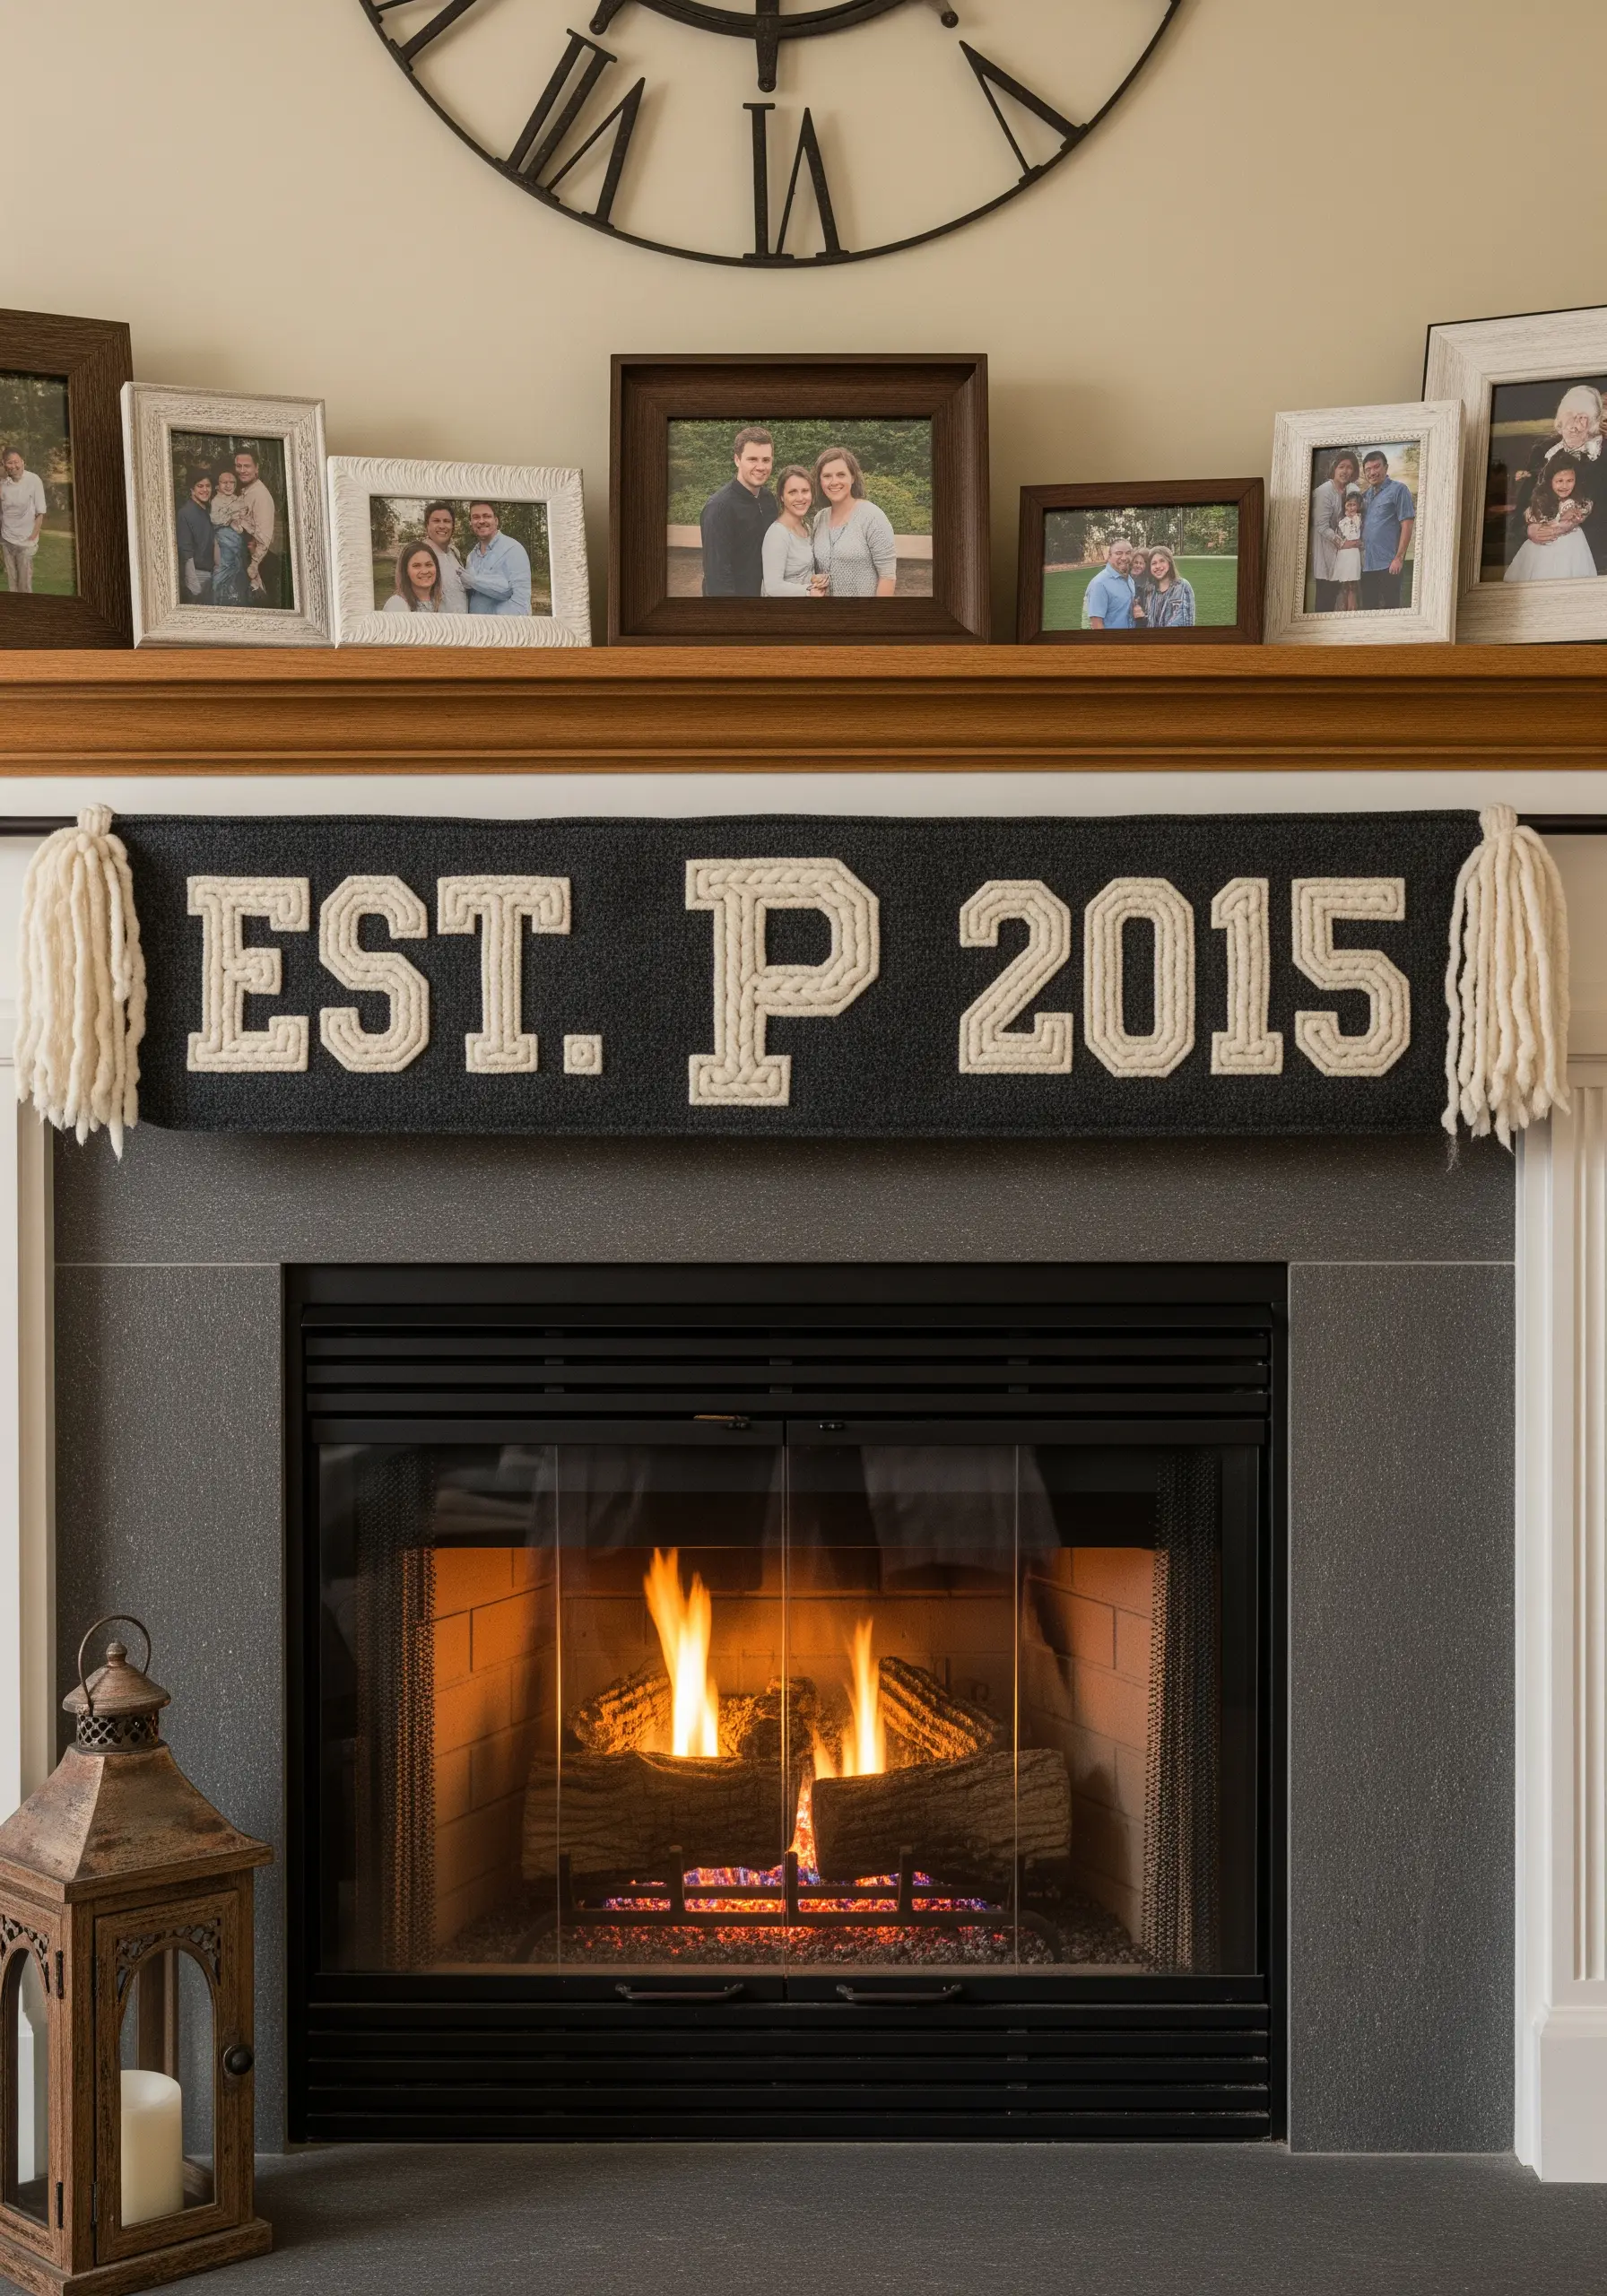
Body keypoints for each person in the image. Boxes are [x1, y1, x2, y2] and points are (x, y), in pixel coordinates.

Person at [1514, 387, 1607, 573]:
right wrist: (1529, 530)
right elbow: (1520, 511)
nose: (1574, 425)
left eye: (1582, 417)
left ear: (1594, 422)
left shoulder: (1602, 454)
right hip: (1543, 558)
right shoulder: (1544, 449)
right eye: (1569, 415)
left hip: (1594, 559)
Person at [699, 426, 777, 596]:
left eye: (766, 460)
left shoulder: (769, 499)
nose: (760, 466)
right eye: (752, 459)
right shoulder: (719, 508)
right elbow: (717, 577)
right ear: (737, 460)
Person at [812, 446, 897, 596]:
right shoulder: (820, 519)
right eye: (827, 476)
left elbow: (887, 577)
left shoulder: (872, 516)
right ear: (820, 481)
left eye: (841, 475)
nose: (834, 481)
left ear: (852, 477)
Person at [1504, 460, 1595, 582]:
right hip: (1544, 545)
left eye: (1570, 481)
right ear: (1549, 481)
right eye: (1559, 481)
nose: (1564, 486)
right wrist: (1557, 520)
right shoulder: (1541, 501)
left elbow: (1576, 518)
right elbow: (1538, 522)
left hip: (1571, 544)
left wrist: (1570, 518)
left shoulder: (1578, 502)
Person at [1359, 449, 1414, 610]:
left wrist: (1399, 558)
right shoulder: (1364, 497)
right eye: (1368, 470)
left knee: (1392, 610)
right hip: (1367, 565)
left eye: (1376, 467)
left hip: (1389, 565)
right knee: (1369, 611)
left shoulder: (1399, 490)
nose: (1372, 472)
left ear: (1386, 467)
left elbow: (1407, 524)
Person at [1308, 450, 1360, 613]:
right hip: (1326, 554)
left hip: (1340, 556)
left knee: (1340, 601)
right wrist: (1344, 544)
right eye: (1342, 467)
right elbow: (1322, 526)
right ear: (1334, 469)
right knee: (1325, 602)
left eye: (1350, 468)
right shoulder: (1325, 491)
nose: (1345, 471)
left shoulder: (1346, 491)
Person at [461, 500, 532, 615]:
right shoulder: (471, 557)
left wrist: (494, 625)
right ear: (471, 522)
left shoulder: (513, 549)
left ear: (496, 521)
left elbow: (521, 602)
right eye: (476, 517)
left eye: (486, 516)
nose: (481, 521)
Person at [232, 448, 282, 606]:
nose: (242, 470)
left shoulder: (260, 495)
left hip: (260, 562)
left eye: (247, 466)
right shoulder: (246, 491)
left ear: (257, 468)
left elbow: (264, 537)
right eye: (238, 466)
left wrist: (253, 567)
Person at [760, 465, 820, 596]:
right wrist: (809, 592)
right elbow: (773, 587)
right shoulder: (777, 534)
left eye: (805, 491)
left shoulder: (806, 527)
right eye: (792, 492)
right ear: (782, 496)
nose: (800, 498)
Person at [0, 447, 48, 594]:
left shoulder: (33, 480)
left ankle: (28, 613)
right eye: (9, 463)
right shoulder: (3, 483)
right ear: (3, 464)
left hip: (25, 542)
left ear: (23, 462)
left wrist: (32, 537)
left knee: (25, 585)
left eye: (16, 462)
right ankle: (16, 614)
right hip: (7, 540)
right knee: (12, 583)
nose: (14, 466)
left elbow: (40, 513)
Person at [208, 467, 254, 606]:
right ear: (217, 486)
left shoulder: (237, 499)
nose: (228, 486)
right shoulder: (216, 501)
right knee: (225, 566)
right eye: (224, 483)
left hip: (237, 539)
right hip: (224, 539)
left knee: (236, 566)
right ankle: (216, 597)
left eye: (232, 483)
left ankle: (230, 594)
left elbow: (245, 512)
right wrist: (231, 516)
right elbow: (215, 519)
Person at [176, 471, 215, 604]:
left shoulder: (207, 511)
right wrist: (193, 584)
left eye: (208, 486)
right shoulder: (185, 513)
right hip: (197, 574)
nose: (205, 490)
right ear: (192, 489)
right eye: (200, 486)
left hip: (212, 574)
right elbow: (185, 550)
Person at [421, 501, 468, 612]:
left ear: (453, 526)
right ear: (427, 525)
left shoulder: (454, 553)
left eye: (447, 521)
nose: (442, 526)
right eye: (436, 521)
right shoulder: (420, 554)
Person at [1083, 536, 1135, 630]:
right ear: (1109, 556)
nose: (1124, 557)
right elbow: (1096, 624)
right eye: (1118, 553)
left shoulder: (1129, 579)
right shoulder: (1100, 584)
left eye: (1128, 553)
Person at [1143, 544, 1197, 628]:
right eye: (1154, 563)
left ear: (1169, 563)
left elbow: (1188, 620)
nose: (1158, 566)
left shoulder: (1182, 586)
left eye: (1162, 561)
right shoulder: (1150, 589)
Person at [385, 539, 446, 613]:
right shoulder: (397, 604)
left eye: (428, 565)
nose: (425, 571)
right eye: (416, 566)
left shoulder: (443, 602)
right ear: (406, 571)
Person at [1332, 485, 1364, 611]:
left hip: (1353, 555)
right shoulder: (1341, 521)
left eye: (1353, 505)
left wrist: (1351, 518)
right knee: (1344, 584)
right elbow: (1339, 537)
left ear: (1358, 506)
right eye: (1348, 505)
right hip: (1344, 555)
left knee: (1353, 584)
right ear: (1344, 505)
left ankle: (1352, 608)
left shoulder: (1358, 519)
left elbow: (1356, 533)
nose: (1351, 508)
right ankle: (1344, 608)